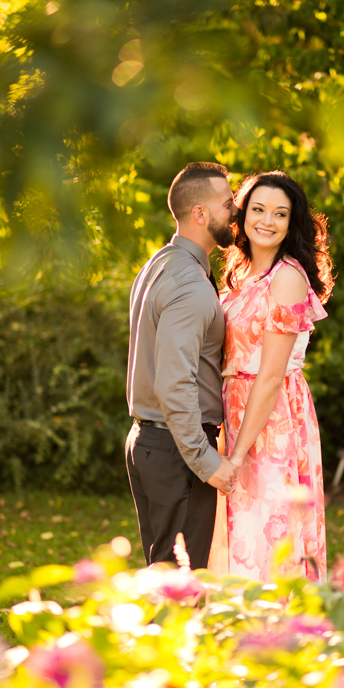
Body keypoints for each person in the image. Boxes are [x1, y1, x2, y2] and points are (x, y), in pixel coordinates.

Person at [210, 171, 334, 581]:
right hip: (234, 409)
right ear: (243, 214)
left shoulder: (286, 277)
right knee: (234, 530)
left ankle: (274, 634)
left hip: (272, 420)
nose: (267, 220)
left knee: (265, 531)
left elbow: (270, 377)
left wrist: (238, 454)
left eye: (280, 214)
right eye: (258, 209)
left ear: (291, 223)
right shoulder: (241, 274)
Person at [125, 161, 239, 570]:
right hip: (177, 451)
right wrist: (207, 463)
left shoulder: (162, 262)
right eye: (229, 205)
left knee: (165, 576)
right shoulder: (190, 283)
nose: (236, 213)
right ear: (200, 214)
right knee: (181, 587)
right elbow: (175, 383)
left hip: (155, 443)